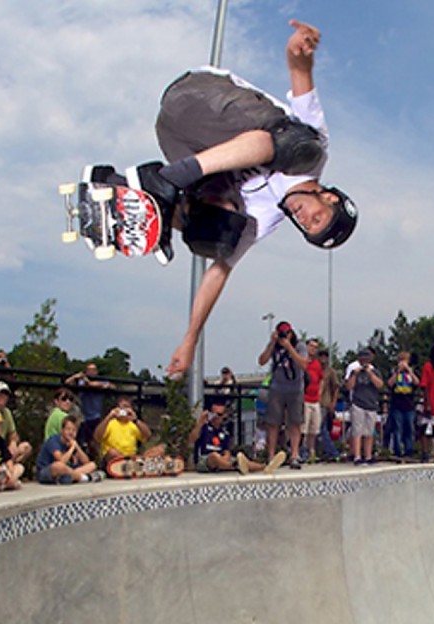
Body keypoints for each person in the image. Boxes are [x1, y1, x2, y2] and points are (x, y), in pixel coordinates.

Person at [153, 20, 358, 378]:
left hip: (174, 137)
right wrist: (300, 53)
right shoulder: (315, 152)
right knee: (298, 146)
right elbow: (300, 75)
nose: (304, 219)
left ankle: (152, 203)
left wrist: (189, 339)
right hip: (201, 97)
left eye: (307, 228)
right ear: (327, 196)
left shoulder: (266, 217)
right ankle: (171, 183)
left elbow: (219, 271)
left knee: (224, 234)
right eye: (316, 216)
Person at [257, 320, 308, 469]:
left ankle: (294, 454)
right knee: (273, 423)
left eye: (287, 333)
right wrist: (272, 344)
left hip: (295, 389)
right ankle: (271, 455)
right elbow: (261, 361)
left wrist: (289, 347)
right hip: (277, 389)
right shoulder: (274, 347)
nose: (285, 336)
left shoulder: (299, 346)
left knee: (295, 422)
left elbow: (303, 364)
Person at [189, 401, 274, 474]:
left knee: (240, 458)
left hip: (221, 459)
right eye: (213, 413)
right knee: (214, 456)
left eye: (219, 414)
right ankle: (236, 467)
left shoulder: (224, 432)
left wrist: (226, 456)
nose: (216, 416)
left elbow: (226, 449)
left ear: (224, 416)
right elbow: (191, 439)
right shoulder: (204, 427)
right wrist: (200, 422)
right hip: (205, 459)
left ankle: (264, 467)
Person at [36, 415, 102, 484]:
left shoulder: (73, 442)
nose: (71, 432)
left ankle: (67, 478)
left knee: (92, 465)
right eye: (68, 429)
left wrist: (77, 447)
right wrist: (72, 448)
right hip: (47, 471)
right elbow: (61, 461)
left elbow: (86, 462)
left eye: (74, 430)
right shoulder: (54, 440)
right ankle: (85, 478)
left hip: (67, 470)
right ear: (62, 430)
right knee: (58, 466)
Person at [97, 396, 163, 464]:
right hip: (113, 460)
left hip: (132, 457)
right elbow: (97, 437)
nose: (124, 411)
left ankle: (133, 464)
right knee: (112, 452)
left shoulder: (134, 424)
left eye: (126, 407)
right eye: (122, 408)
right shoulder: (110, 423)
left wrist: (136, 420)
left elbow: (148, 436)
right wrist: (109, 416)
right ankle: (131, 463)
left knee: (160, 449)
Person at [345, 348, 383, 464]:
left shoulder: (375, 371)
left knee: (369, 432)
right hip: (358, 403)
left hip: (371, 404)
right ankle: (357, 456)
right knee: (357, 430)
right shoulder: (354, 371)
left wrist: (370, 374)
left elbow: (380, 385)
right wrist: (355, 374)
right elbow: (349, 387)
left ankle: (368, 455)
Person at [65, 363, 112, 452]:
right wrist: (76, 376)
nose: (91, 372)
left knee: (94, 443)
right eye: (89, 370)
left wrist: (89, 383)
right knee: (79, 442)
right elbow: (67, 383)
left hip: (96, 417)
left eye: (93, 370)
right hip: (82, 418)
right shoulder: (81, 382)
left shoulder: (101, 381)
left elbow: (109, 385)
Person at [387, 351, 418, 461]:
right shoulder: (394, 371)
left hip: (409, 405)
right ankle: (398, 451)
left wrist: (409, 371)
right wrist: (397, 372)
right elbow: (390, 383)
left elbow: (417, 383)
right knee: (397, 429)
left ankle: (409, 451)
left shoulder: (411, 372)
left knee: (409, 429)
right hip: (397, 404)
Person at [301, 338, 324, 461]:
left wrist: (319, 393)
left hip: (315, 399)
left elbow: (321, 378)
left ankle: (311, 451)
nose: (313, 349)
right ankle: (302, 450)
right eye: (311, 346)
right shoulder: (303, 362)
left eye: (315, 347)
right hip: (304, 399)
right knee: (303, 427)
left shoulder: (316, 364)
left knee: (314, 428)